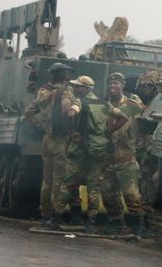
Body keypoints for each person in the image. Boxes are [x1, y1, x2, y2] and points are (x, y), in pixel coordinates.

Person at [53, 75, 129, 232]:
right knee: (94, 185)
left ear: (86, 89)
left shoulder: (80, 101)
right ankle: (91, 222)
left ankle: (56, 218)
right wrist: (108, 132)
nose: (75, 88)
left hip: (81, 148)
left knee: (68, 183)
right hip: (100, 148)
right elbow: (123, 117)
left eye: (78, 86)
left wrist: (72, 131)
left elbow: (71, 114)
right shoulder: (103, 103)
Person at [23, 62, 82, 228]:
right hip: (60, 139)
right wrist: (71, 131)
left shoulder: (43, 91)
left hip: (46, 139)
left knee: (46, 181)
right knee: (59, 180)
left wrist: (41, 124)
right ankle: (56, 215)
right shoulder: (65, 92)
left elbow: (29, 112)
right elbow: (66, 110)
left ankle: (45, 213)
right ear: (65, 76)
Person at [99, 72, 150, 237]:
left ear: (123, 86)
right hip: (107, 156)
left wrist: (143, 140)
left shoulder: (132, 104)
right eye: (110, 84)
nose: (113, 87)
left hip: (126, 156)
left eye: (116, 84)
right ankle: (117, 223)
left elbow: (147, 119)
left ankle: (138, 225)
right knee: (107, 192)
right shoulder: (103, 106)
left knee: (131, 194)